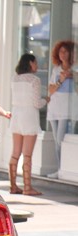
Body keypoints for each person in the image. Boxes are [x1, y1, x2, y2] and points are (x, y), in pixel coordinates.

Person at [9, 53, 48, 195]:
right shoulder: (34, 80)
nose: (37, 65)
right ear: (30, 63)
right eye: (35, 62)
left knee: (15, 153)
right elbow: (37, 103)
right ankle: (27, 187)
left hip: (16, 115)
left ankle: (13, 185)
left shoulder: (14, 78)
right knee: (27, 155)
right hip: (29, 116)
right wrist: (47, 99)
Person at [46, 40, 75, 179]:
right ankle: (59, 168)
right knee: (56, 140)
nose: (62, 54)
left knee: (61, 140)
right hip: (54, 107)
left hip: (67, 109)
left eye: (65, 51)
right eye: (60, 51)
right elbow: (50, 90)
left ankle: (62, 168)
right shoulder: (56, 69)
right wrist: (61, 80)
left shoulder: (75, 69)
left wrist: (72, 76)